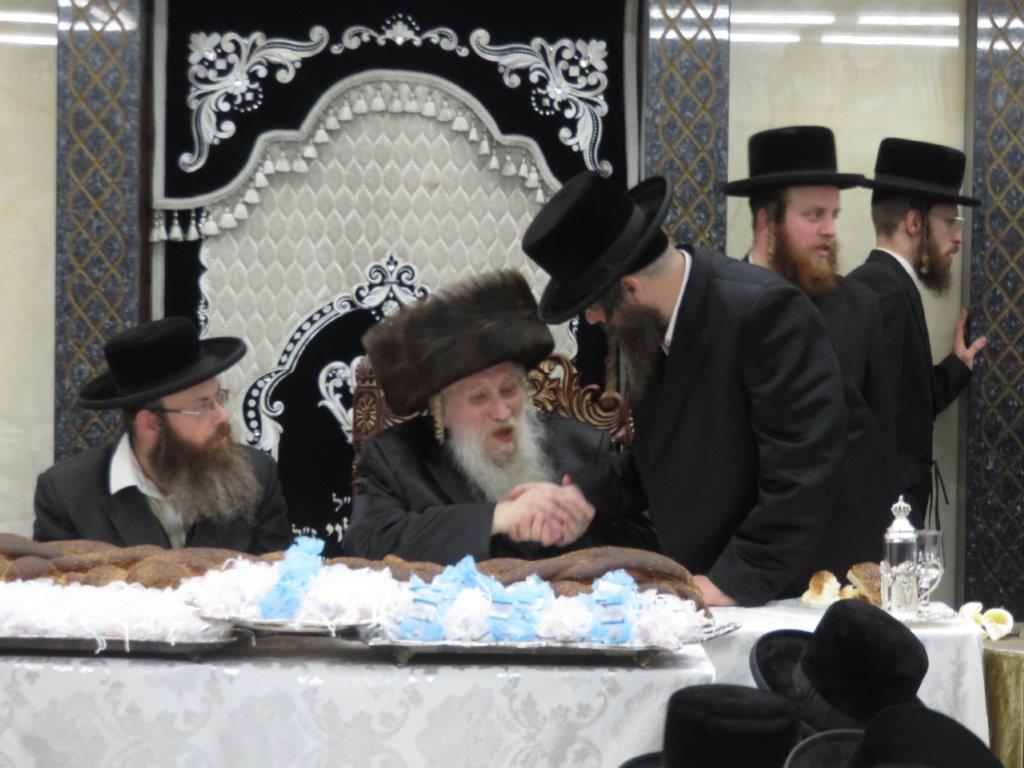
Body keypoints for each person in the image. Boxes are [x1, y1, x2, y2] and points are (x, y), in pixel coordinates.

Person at [522, 170, 846, 606]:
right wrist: (587, 492)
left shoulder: (766, 312)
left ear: (630, 289)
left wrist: (733, 581)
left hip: (787, 591)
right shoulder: (654, 325)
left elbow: (803, 473)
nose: (594, 320)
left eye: (594, 306)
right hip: (708, 580)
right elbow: (667, 453)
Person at [344, 270, 656, 564]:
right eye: (479, 397)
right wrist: (500, 516)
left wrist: (575, 531)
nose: (502, 411)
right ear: (443, 411)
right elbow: (365, 545)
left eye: (509, 390)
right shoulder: (396, 458)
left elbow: (652, 544)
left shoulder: (583, 446)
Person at [725, 125, 898, 583]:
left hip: (835, 571)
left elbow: (881, 453)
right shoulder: (717, 309)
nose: (830, 230)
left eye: (834, 214)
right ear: (767, 220)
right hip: (732, 566)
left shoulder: (860, 309)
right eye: (814, 214)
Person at [33, 317, 291, 553]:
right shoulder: (66, 494)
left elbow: (278, 579)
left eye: (219, 397)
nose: (222, 416)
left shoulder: (257, 474)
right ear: (151, 423)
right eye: (202, 405)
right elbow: (58, 586)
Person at [849, 138, 987, 527]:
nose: (957, 237)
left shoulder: (891, 285)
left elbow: (902, 405)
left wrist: (957, 366)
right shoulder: (883, 291)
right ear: (914, 222)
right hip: (883, 523)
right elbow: (865, 428)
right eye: (951, 221)